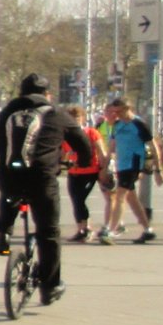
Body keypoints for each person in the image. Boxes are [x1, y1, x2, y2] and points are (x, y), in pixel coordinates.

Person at [0, 74, 94, 305]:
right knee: (49, 231)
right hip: (42, 179)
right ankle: (50, 286)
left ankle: (4, 233)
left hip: (9, 177)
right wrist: (83, 162)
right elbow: (83, 145)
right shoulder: (57, 115)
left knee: (10, 194)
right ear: (47, 94)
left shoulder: (6, 114)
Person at [98, 98, 162, 244]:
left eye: (119, 111)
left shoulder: (138, 124)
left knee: (120, 195)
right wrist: (105, 167)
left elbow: (153, 147)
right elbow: (112, 147)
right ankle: (147, 229)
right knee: (131, 198)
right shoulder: (117, 125)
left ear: (127, 108)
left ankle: (112, 230)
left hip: (134, 163)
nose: (116, 115)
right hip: (122, 164)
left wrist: (158, 170)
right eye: (114, 112)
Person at [63, 104, 105, 243]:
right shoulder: (66, 136)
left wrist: (104, 169)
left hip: (89, 171)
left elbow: (101, 151)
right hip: (74, 171)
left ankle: (87, 228)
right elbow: (63, 153)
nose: (74, 120)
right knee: (75, 200)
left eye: (77, 117)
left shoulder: (91, 132)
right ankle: (80, 229)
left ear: (83, 118)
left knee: (80, 199)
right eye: (71, 117)